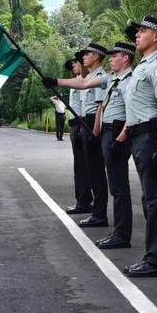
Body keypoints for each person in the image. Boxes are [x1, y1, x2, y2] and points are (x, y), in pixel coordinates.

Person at [113, 17, 157, 277]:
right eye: (138, 31)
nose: (137, 35)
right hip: (139, 137)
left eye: (143, 31)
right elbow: (136, 107)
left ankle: (156, 261)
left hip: (152, 139)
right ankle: (153, 256)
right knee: (149, 200)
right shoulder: (143, 66)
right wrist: (123, 135)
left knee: (156, 202)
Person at [45, 43, 110, 228]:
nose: (83, 58)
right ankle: (93, 210)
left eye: (86, 54)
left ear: (96, 56)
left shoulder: (100, 76)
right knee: (86, 168)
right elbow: (81, 83)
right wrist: (55, 81)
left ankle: (99, 214)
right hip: (83, 122)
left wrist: (95, 131)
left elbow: (99, 107)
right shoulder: (89, 77)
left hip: (91, 124)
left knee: (96, 172)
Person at [92, 41, 136, 249]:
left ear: (125, 57)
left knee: (119, 188)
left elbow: (132, 111)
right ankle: (119, 233)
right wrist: (58, 81)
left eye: (114, 55)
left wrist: (121, 137)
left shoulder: (128, 81)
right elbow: (84, 83)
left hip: (118, 132)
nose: (110, 58)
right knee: (116, 187)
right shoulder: (113, 79)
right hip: (109, 132)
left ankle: (121, 235)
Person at [65, 56, 93, 214]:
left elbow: (84, 106)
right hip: (75, 125)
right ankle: (83, 200)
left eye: (75, 62)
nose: (73, 65)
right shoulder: (77, 80)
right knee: (80, 166)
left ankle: (84, 202)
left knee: (83, 166)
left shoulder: (85, 81)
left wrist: (82, 128)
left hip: (81, 124)